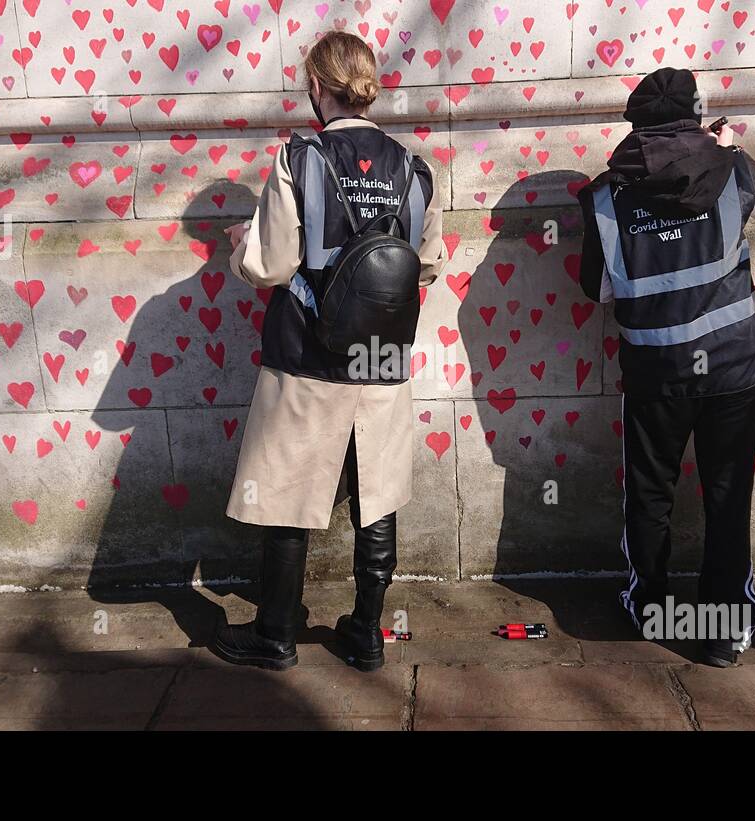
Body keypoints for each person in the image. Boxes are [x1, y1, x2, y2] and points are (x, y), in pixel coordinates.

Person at [213, 31, 444, 672]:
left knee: (288, 491)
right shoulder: (411, 165)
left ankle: (276, 636)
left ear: (316, 86)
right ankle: (367, 632)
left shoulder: (301, 158)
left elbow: (271, 263)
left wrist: (241, 241)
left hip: (307, 356)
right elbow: (425, 266)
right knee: (378, 489)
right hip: (383, 360)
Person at [576, 67, 755, 667]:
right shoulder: (732, 173)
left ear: (635, 125)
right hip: (733, 368)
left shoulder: (602, 198)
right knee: (727, 494)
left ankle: (650, 609)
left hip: (655, 370)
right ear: (696, 118)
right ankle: (724, 631)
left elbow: (596, 290)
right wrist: (727, 149)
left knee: (649, 493)